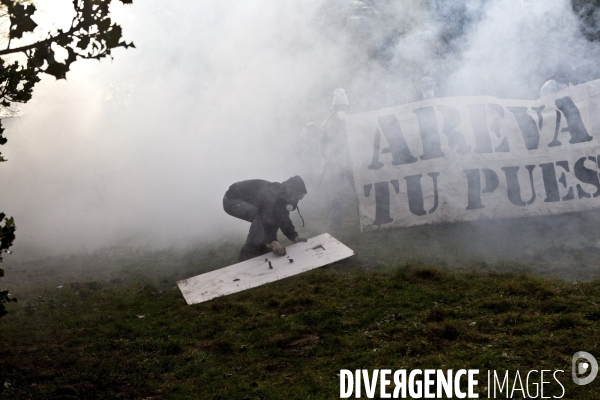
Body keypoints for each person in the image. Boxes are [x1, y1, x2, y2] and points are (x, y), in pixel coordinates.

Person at [223, 175, 308, 262]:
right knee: (260, 217)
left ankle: (260, 246)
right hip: (231, 200)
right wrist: (273, 241)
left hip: (240, 200)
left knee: (274, 217)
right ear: (290, 192)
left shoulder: (281, 198)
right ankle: (247, 253)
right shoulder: (271, 195)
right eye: (296, 197)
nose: (296, 201)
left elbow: (283, 218)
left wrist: (294, 236)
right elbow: (265, 217)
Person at [320, 88, 356, 234]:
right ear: (334, 108)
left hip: (351, 161)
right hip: (335, 163)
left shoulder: (353, 121)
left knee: (360, 191)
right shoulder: (327, 123)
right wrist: (327, 154)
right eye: (339, 107)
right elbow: (323, 142)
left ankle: (366, 218)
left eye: (344, 107)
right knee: (337, 194)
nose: (342, 110)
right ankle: (335, 223)